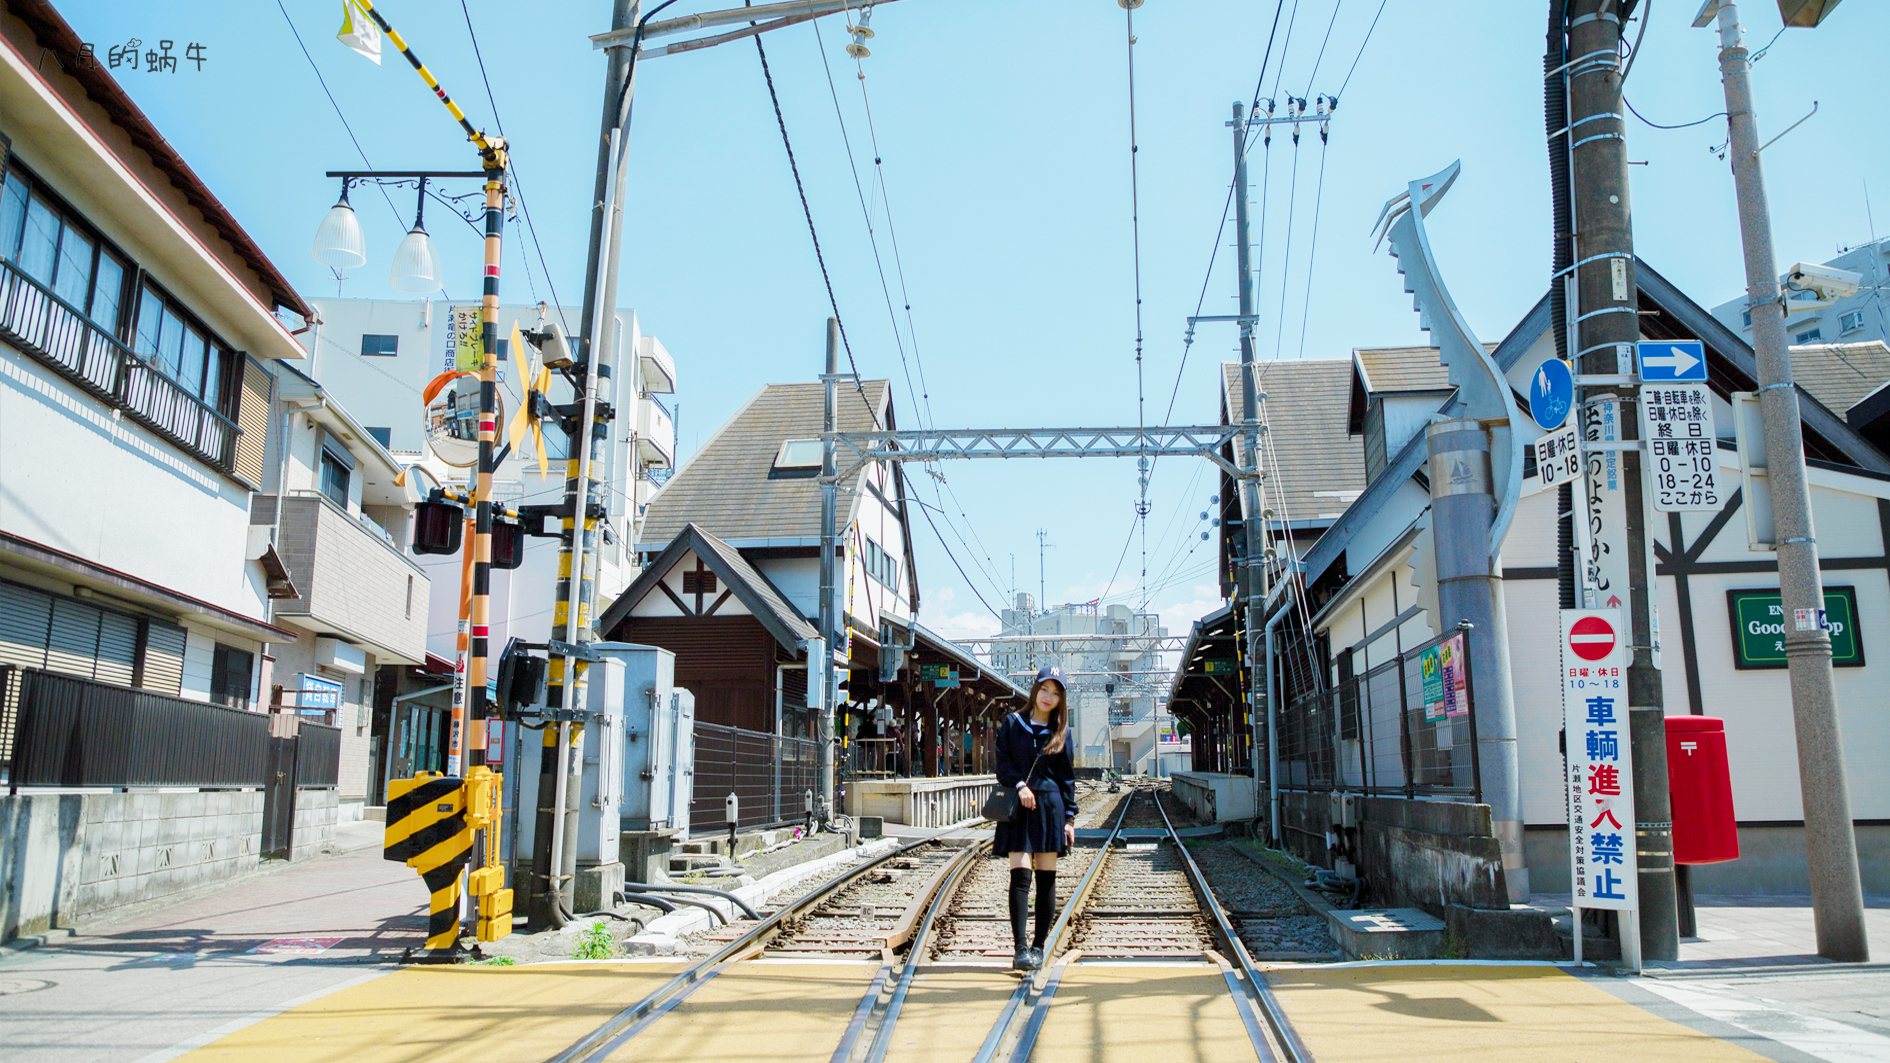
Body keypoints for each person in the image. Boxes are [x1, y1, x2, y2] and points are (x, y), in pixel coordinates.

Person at [994, 665, 1077, 971]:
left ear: (1060, 700)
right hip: (1020, 806)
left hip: (1050, 808)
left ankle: (1039, 947)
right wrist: (1019, 785)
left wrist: (1070, 819)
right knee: (1020, 874)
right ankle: (1019, 948)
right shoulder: (1013, 723)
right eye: (1044, 689)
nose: (1048, 697)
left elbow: (1067, 777)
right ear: (1035, 689)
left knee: (1046, 878)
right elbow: (1002, 762)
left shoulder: (1061, 733)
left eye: (1055, 693)